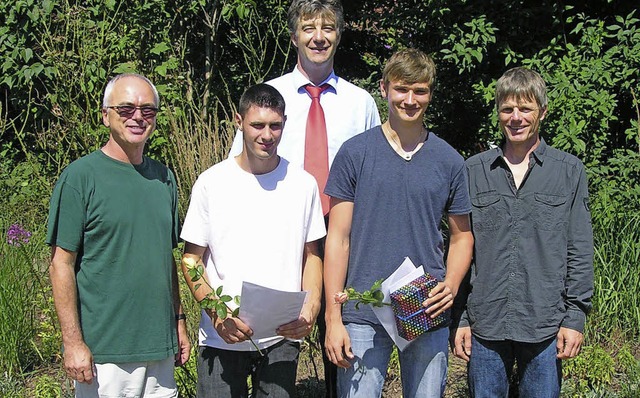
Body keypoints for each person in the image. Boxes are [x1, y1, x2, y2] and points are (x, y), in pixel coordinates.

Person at [228, 2, 380, 395]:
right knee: (275, 343)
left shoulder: (360, 103)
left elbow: (375, 174)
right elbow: (236, 172)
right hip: (281, 239)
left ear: (339, 35)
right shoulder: (268, 97)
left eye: (328, 28)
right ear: (294, 35)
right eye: (309, 28)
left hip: (342, 238)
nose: (318, 37)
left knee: (342, 345)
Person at [323, 48, 475, 398]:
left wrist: (450, 284)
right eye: (402, 89)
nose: (410, 99)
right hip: (362, 310)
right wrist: (334, 318)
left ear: (430, 95)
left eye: (420, 90)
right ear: (384, 89)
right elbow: (338, 238)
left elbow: (462, 237)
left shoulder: (449, 160)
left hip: (424, 306)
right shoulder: (355, 153)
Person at [451, 67, 594, 397]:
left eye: (525, 109)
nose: (516, 118)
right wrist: (461, 318)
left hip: (545, 322)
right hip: (485, 322)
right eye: (507, 109)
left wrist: (574, 317)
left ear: (542, 112)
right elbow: (459, 248)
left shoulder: (568, 171)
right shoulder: (473, 171)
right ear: (499, 113)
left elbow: (579, 249)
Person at [47, 73, 190, 397]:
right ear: (105, 114)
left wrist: (178, 321)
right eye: (126, 109)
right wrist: (73, 343)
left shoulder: (164, 178)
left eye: (147, 110)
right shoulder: (80, 178)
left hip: (160, 347)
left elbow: (165, 258)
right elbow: (61, 265)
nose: (138, 116)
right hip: (105, 355)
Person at [180, 84, 326, 397]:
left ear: (285, 123)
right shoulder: (211, 183)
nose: (267, 135)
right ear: (239, 121)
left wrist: (311, 310)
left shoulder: (303, 185)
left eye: (275, 125)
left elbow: (312, 255)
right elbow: (191, 260)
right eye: (257, 125)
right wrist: (218, 315)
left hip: (282, 336)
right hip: (223, 338)